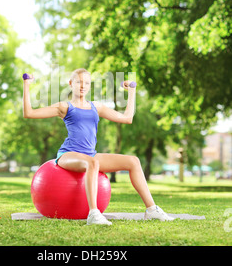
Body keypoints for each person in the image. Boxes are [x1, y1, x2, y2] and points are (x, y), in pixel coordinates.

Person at [23, 68, 174, 225]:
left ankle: (151, 210)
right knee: (92, 162)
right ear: (70, 84)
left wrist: (132, 91)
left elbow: (127, 118)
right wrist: (27, 84)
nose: (83, 86)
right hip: (68, 154)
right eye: (78, 82)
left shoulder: (97, 107)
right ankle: (94, 214)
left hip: (90, 154)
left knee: (133, 161)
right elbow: (29, 113)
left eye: (87, 83)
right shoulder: (64, 107)